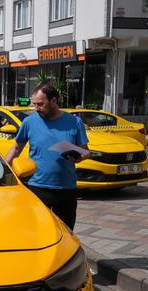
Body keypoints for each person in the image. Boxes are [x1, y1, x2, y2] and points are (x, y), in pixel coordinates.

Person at [5, 83, 92, 230]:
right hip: (37, 187)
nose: (36, 108)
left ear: (54, 101)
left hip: (66, 189)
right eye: (35, 104)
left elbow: (86, 151)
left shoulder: (74, 122)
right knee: (37, 231)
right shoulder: (29, 122)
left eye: (40, 104)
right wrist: (4, 168)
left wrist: (80, 156)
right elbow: (16, 147)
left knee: (65, 233)